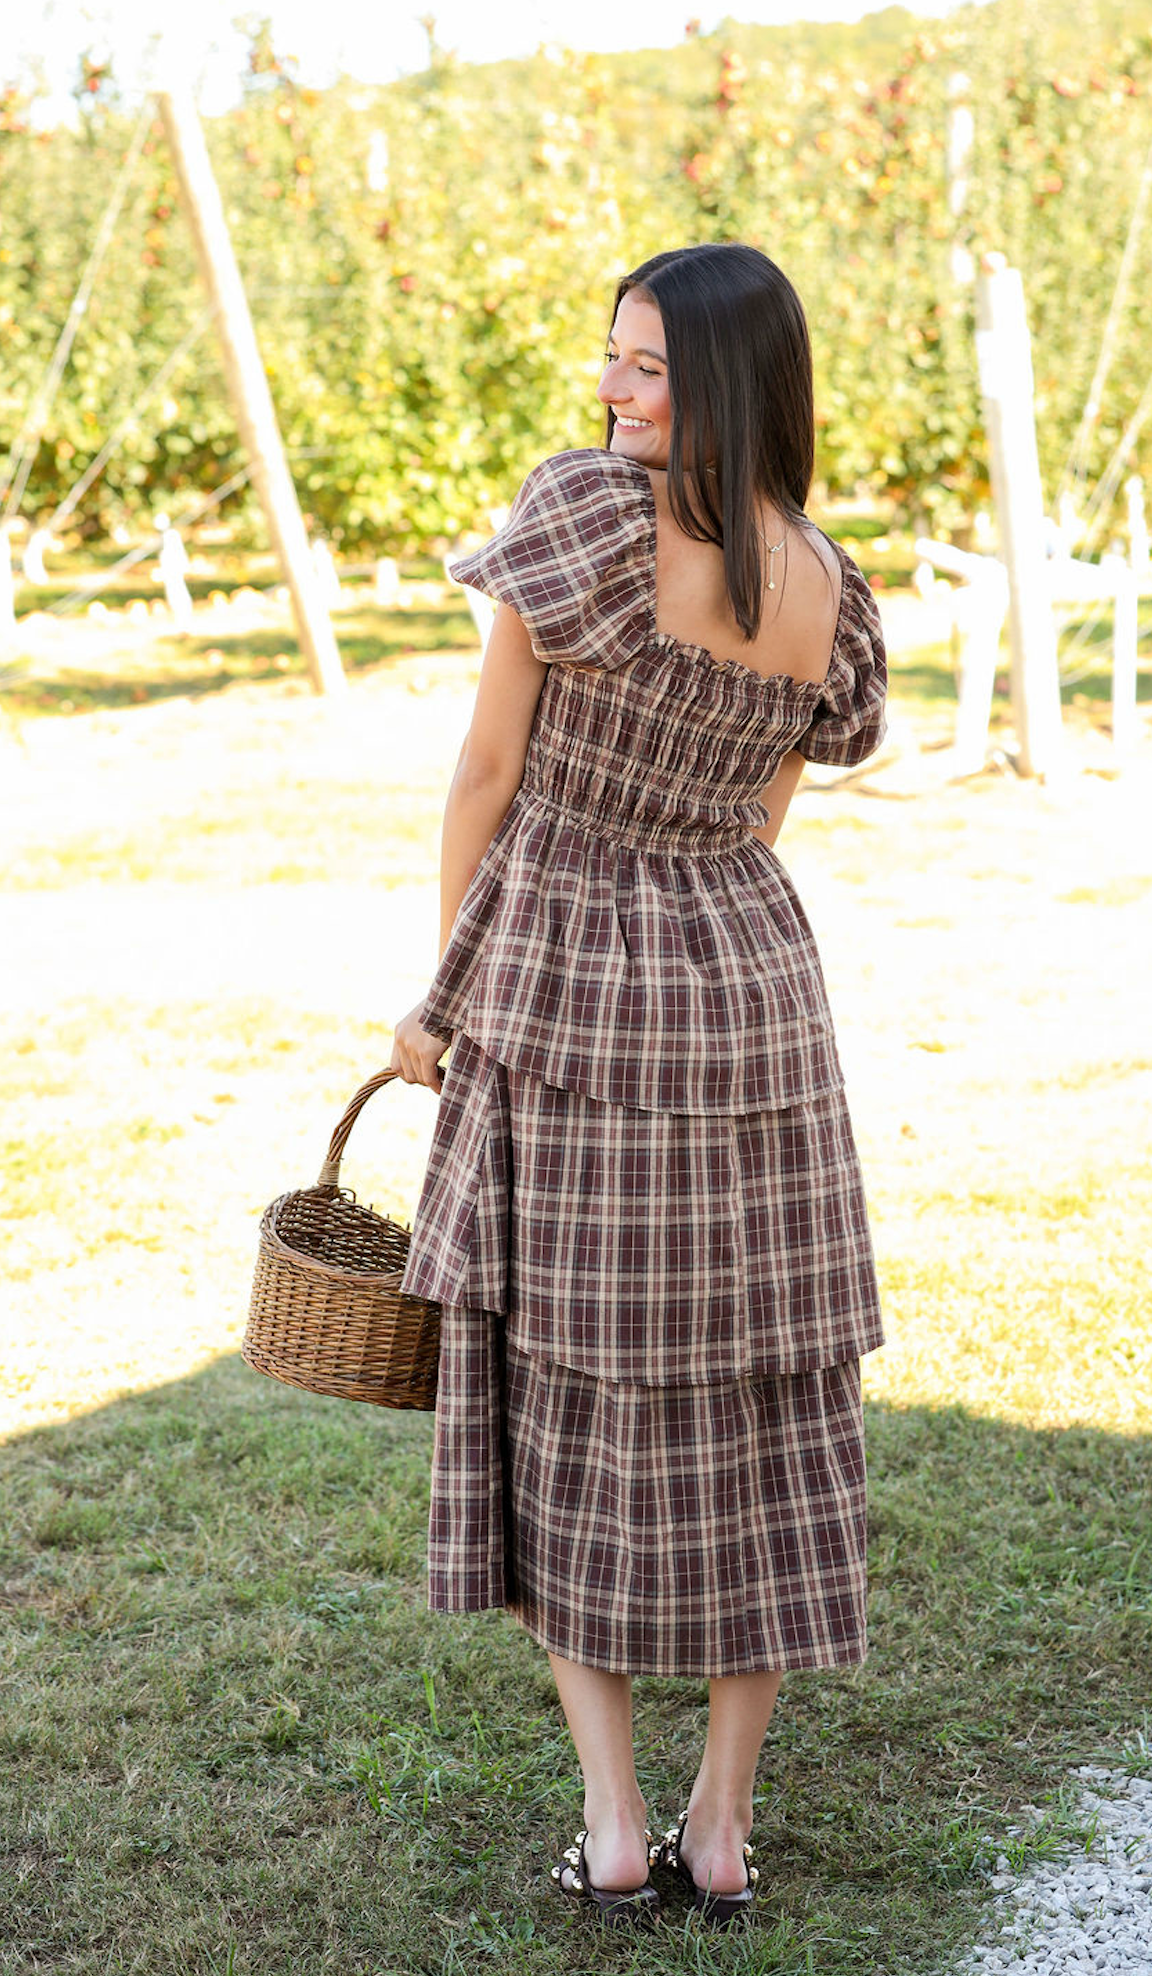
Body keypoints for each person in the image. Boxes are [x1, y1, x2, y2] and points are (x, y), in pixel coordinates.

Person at [388, 242, 887, 1930]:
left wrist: (442, 991)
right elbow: (758, 821)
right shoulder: (822, 584)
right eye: (611, 356)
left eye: (650, 366)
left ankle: (617, 1824)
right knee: (769, 1396)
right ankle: (718, 1826)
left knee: (569, 1395)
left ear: (727, 381)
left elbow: (487, 768)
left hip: (572, 994)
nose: (612, 390)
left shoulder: (588, 521)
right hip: (752, 998)